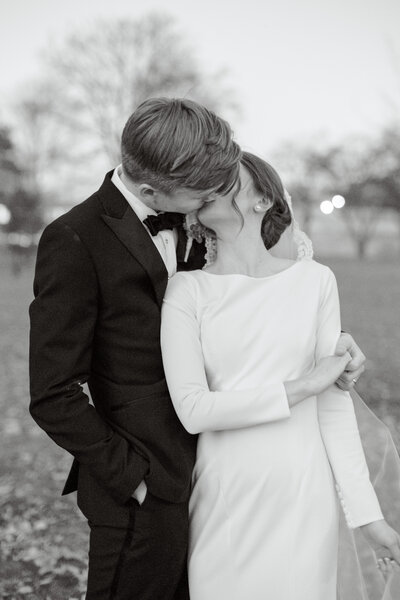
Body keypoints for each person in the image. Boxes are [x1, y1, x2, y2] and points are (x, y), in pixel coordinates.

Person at [29, 98, 366, 600]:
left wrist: (328, 342)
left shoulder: (192, 221)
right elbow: (53, 393)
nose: (216, 198)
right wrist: (133, 478)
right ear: (151, 190)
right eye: (205, 192)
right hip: (143, 492)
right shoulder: (74, 239)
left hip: (220, 474)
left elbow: (246, 301)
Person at [160, 152, 400, 600]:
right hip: (226, 490)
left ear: (263, 199)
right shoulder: (187, 288)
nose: (211, 183)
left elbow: (333, 405)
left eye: (228, 178)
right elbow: (193, 410)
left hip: (303, 490)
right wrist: (305, 385)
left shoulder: (315, 281)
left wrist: (369, 518)